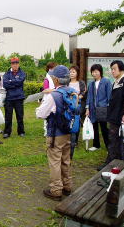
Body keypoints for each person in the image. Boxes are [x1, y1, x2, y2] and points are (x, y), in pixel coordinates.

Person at [37, 65, 72, 201]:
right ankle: (67, 186)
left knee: (55, 161)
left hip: (55, 133)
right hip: (68, 131)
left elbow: (41, 114)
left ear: (56, 79)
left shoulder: (53, 95)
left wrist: (38, 109)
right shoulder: (72, 91)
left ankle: (56, 189)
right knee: (66, 159)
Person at [97, 60, 124, 171]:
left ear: (121, 69)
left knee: (117, 140)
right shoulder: (117, 81)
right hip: (114, 116)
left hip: (120, 116)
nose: (112, 71)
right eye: (111, 69)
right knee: (115, 139)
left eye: (114, 69)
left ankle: (116, 163)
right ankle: (115, 161)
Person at [85, 64, 112, 152]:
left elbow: (109, 95)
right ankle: (96, 145)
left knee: (104, 128)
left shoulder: (106, 82)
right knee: (94, 127)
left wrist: (109, 107)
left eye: (96, 71)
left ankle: (109, 147)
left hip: (103, 108)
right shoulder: (91, 84)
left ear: (100, 72)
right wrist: (87, 108)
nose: (94, 73)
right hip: (93, 109)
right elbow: (89, 97)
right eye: (93, 72)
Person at [3, 57, 26, 138]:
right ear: (11, 64)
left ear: (18, 64)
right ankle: (7, 132)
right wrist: (14, 82)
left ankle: (21, 132)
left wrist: (11, 82)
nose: (15, 65)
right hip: (9, 98)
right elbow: (5, 84)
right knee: (8, 117)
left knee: (20, 116)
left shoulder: (22, 73)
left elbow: (20, 81)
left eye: (16, 63)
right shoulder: (6, 74)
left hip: (19, 98)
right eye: (13, 63)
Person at [68, 65, 87, 159]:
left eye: (73, 72)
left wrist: (80, 96)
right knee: (68, 120)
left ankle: (75, 140)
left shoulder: (81, 82)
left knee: (76, 121)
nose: (71, 73)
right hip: (68, 104)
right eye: (70, 72)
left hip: (78, 104)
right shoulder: (67, 82)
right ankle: (69, 138)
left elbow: (84, 92)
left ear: (77, 73)